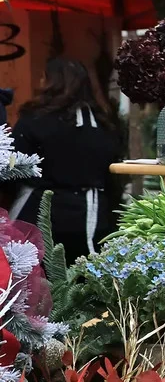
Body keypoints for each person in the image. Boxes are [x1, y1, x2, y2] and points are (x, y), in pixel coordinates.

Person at [9, 57, 122, 262]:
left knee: (27, 277)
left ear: (51, 82)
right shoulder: (102, 124)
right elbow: (111, 174)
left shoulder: (33, 119)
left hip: (34, 211)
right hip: (86, 214)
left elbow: (13, 167)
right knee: (84, 277)